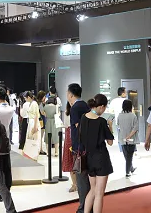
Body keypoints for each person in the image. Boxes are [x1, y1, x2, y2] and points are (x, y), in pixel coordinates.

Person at [79, 94, 114, 213]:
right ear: (101, 106)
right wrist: (110, 126)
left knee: (92, 190)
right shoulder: (101, 121)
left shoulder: (83, 118)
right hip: (101, 158)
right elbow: (110, 142)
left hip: (89, 158)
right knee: (99, 194)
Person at [66, 83, 91, 213]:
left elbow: (79, 127)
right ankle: (88, 206)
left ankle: (83, 208)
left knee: (81, 179)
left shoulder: (75, 108)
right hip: (87, 146)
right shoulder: (85, 105)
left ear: (71, 94)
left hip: (80, 148)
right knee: (86, 178)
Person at [117, 99, 138, 177]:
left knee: (126, 155)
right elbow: (135, 128)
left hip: (122, 138)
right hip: (130, 139)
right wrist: (129, 136)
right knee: (129, 155)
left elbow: (118, 126)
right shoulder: (133, 116)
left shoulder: (119, 115)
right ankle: (127, 171)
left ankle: (131, 168)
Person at [62, 101, 77, 192]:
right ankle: (75, 184)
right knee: (72, 161)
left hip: (71, 135)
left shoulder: (67, 113)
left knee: (74, 161)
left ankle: (76, 184)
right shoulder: (67, 113)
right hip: (70, 136)